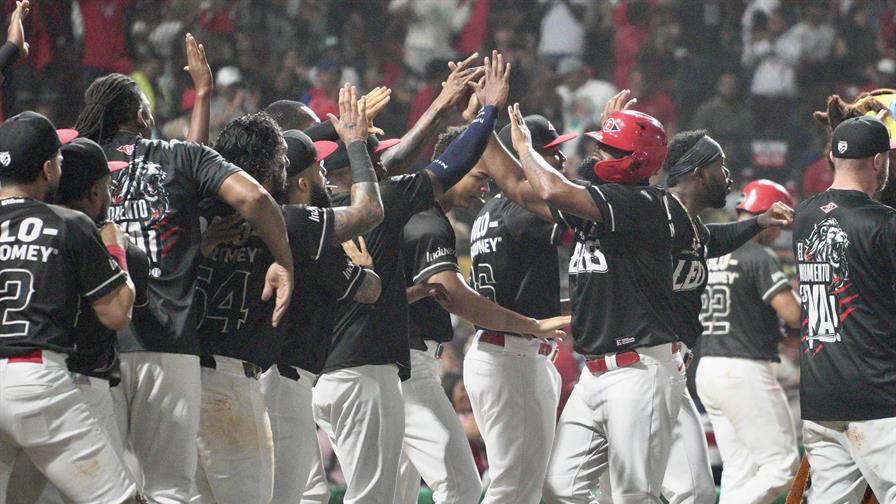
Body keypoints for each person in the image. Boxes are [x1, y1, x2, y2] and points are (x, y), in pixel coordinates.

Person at [73, 73, 294, 504]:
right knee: (169, 489)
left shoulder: (80, 163)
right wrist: (285, 263)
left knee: (106, 492)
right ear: (141, 115)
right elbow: (255, 200)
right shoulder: (177, 156)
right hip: (166, 345)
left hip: (96, 344)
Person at [310, 56, 500, 504]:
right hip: (368, 372)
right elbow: (448, 165)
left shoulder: (299, 217)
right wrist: (485, 112)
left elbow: (387, 165)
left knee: (382, 495)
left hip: (325, 374)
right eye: (370, 157)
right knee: (391, 496)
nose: (381, 162)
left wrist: (358, 141)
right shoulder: (380, 207)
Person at [503, 99, 686, 503]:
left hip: (639, 370)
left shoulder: (642, 203)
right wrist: (480, 123)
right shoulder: (602, 203)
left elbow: (550, 186)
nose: (597, 153)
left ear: (637, 162)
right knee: (559, 489)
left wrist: (523, 149)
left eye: (609, 148)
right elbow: (520, 189)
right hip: (595, 373)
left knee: (633, 495)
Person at [398, 114, 568, 503]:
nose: (486, 183)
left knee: (398, 490)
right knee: (492, 487)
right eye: (479, 174)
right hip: (498, 354)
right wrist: (531, 324)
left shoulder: (482, 214)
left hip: (481, 352)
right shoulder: (436, 221)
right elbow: (457, 295)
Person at [0, 111, 140, 503]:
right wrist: (116, 251)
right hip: (35, 378)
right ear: (47, 169)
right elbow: (116, 314)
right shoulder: (69, 223)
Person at [260, 86, 386, 504]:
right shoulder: (300, 227)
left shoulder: (261, 214)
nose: (325, 174)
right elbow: (369, 285)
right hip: (283, 383)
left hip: (262, 379)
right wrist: (352, 142)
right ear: (298, 181)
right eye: (317, 167)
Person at [656, 129, 793, 504]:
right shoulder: (657, 213)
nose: (728, 175)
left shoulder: (695, 232)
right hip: (718, 365)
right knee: (780, 464)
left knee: (728, 473)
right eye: (721, 166)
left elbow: (713, 239)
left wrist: (759, 221)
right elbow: (792, 313)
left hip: (694, 367)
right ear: (699, 173)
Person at [459, 112, 576, 504]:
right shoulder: (523, 209)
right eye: (553, 154)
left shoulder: (488, 211)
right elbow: (582, 218)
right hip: (512, 356)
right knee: (513, 485)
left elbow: (520, 289)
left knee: (527, 484)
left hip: (502, 351)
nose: (561, 163)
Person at [792, 116, 896, 503]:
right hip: (877, 396)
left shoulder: (803, 215)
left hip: (820, 398)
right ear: (878, 161)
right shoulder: (883, 223)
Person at [697, 179, 801, 503]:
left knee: (740, 469)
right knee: (783, 466)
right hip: (744, 369)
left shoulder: (708, 250)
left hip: (708, 366)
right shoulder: (758, 253)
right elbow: (793, 314)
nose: (777, 232)